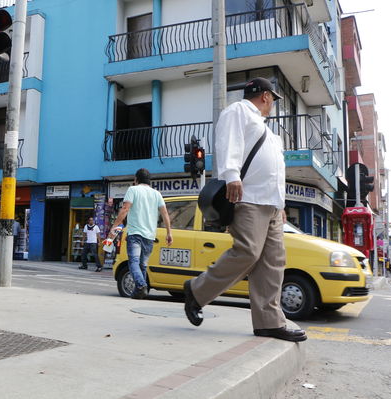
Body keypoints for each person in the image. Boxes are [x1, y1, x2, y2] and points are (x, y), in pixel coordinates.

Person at [183, 77, 307, 342]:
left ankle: (268, 323)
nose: (272, 104)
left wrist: (281, 205)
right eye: (273, 99)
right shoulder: (238, 111)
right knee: (248, 251)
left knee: (273, 263)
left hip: (271, 204)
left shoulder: (269, 133)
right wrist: (231, 175)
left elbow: (276, 172)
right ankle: (196, 290)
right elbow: (228, 142)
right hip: (248, 197)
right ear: (265, 96)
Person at [109, 168, 172, 299]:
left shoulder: (133, 190)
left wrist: (114, 227)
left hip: (135, 234)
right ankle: (139, 292)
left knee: (133, 262)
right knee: (142, 265)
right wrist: (169, 233)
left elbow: (125, 209)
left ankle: (141, 285)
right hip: (149, 235)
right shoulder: (157, 194)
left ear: (136, 179)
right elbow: (165, 213)